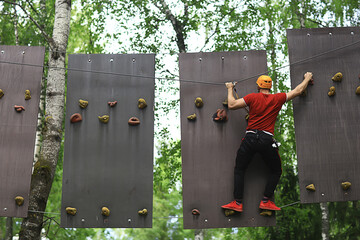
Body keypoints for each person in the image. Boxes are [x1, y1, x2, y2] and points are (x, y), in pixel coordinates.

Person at [221, 72, 313, 212]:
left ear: (258, 86)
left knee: (240, 169)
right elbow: (298, 91)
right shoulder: (278, 98)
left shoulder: (252, 97)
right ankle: (265, 201)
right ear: (270, 87)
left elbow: (232, 105)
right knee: (276, 170)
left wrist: (229, 88)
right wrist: (307, 77)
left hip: (250, 138)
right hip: (266, 140)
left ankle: (238, 203)